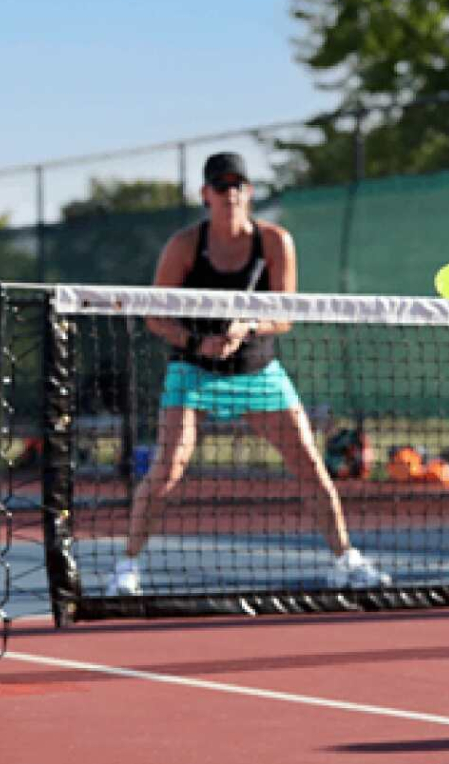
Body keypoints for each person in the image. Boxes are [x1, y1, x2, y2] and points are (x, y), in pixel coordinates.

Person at [106, 152, 389, 596]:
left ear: (250, 192)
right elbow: (154, 316)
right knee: (168, 468)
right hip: (193, 372)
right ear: (206, 194)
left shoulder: (274, 242)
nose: (231, 194)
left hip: (258, 372)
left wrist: (248, 327)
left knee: (310, 464)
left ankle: (345, 560)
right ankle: (127, 567)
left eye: (238, 185)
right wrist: (197, 343)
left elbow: (285, 315)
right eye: (221, 186)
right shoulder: (185, 246)